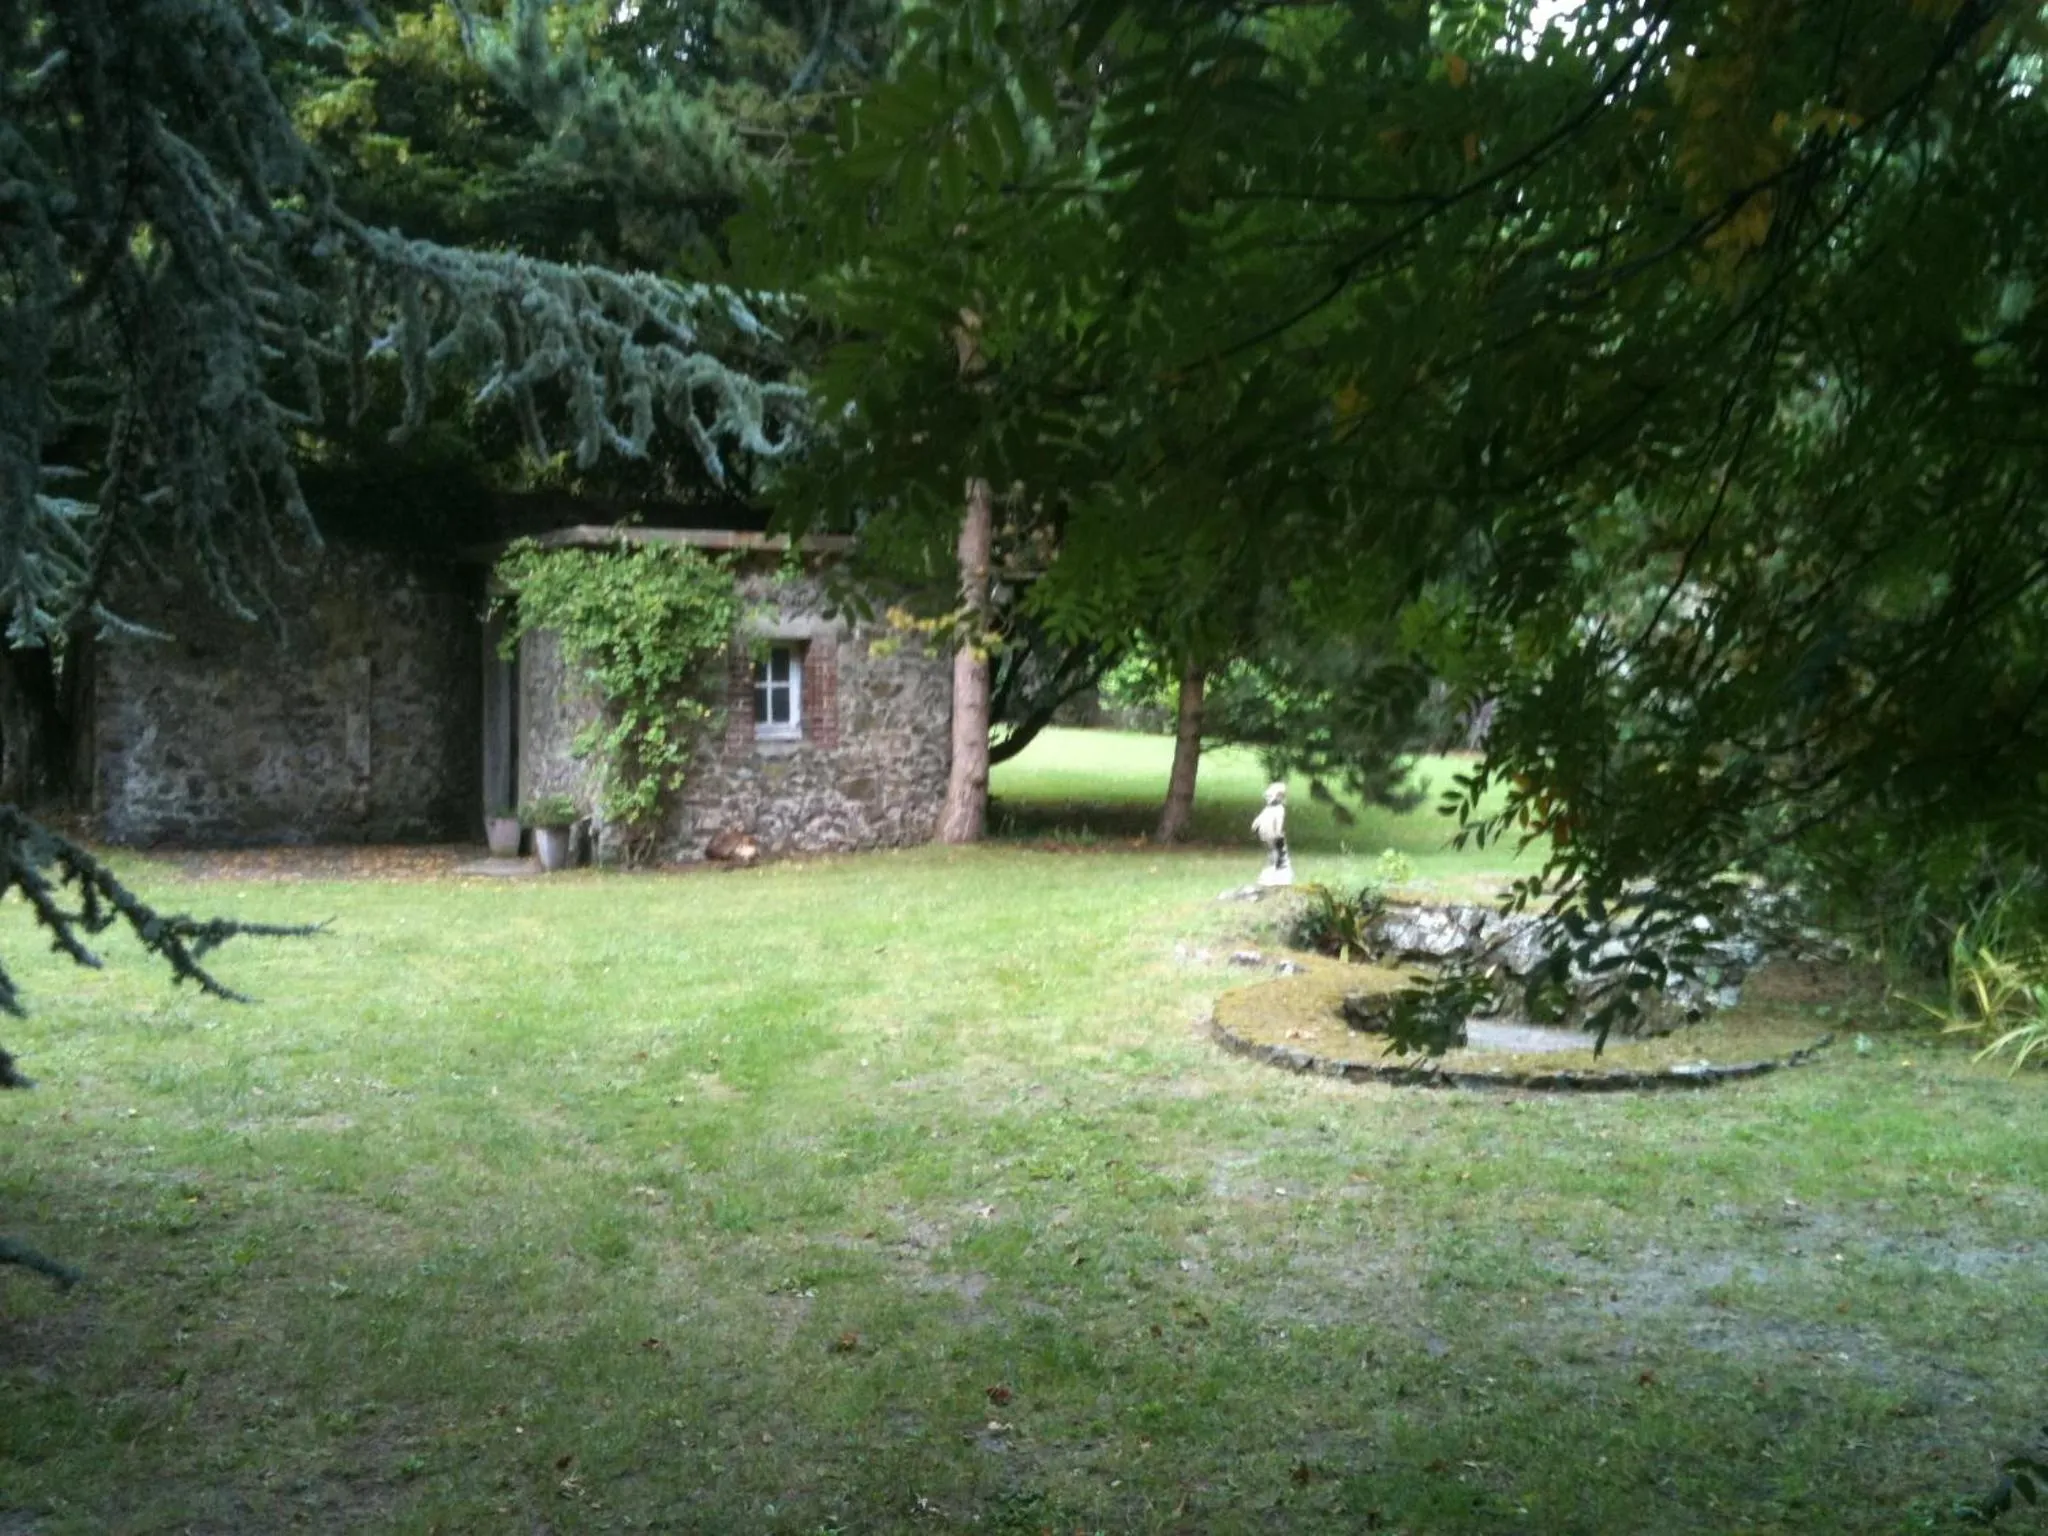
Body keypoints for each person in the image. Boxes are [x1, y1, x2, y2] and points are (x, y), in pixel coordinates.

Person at [1252, 781, 1293, 886]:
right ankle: (1274, 871)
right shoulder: (1271, 809)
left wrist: (1277, 833)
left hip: (1272, 837)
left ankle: (1277, 872)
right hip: (1269, 837)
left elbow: (1278, 823)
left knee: (1277, 854)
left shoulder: (1278, 809)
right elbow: (1257, 822)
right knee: (1274, 853)